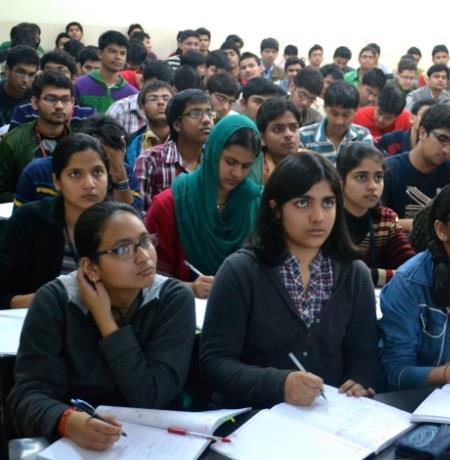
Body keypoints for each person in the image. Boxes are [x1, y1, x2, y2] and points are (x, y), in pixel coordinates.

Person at [8, 200, 195, 449]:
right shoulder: (55, 300)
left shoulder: (171, 298)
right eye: (122, 250)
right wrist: (67, 421)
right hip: (75, 444)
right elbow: (27, 395)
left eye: (144, 241)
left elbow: (150, 396)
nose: (144, 257)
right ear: (90, 267)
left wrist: (105, 320)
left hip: (156, 442)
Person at [200, 152, 378, 409]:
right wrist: (279, 384)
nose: (318, 216)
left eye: (328, 203)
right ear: (275, 209)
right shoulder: (240, 271)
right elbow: (214, 363)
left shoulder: (354, 273)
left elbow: (364, 353)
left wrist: (361, 379)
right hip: (252, 418)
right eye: (303, 203)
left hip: (328, 419)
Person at [145, 114, 262, 298]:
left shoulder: (255, 202)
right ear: (213, 153)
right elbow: (147, 277)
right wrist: (188, 288)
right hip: (180, 311)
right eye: (230, 162)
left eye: (246, 166)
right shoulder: (170, 204)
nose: (237, 173)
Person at [0, 133, 108, 308]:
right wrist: (52, 299)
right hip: (34, 324)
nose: (89, 184)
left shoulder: (121, 224)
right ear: (57, 181)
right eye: (75, 174)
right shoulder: (30, 220)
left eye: (97, 172)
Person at [379, 185, 450, 390]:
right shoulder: (409, 283)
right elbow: (395, 371)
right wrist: (445, 374)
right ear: (442, 230)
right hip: (423, 403)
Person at [337, 142, 415, 287]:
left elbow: (410, 272)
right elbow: (334, 275)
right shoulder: (328, 220)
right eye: (361, 177)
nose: (373, 186)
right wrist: (382, 275)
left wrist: (367, 275)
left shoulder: (386, 219)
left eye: (378, 177)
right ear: (340, 181)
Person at [0, 70, 74, 203]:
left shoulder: (80, 143)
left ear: (72, 103)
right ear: (35, 102)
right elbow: (1, 192)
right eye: (51, 99)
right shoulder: (12, 142)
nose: (59, 106)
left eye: (65, 99)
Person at [135, 89, 213, 213]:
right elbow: (141, 214)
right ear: (177, 125)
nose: (206, 120)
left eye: (209, 113)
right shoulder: (150, 160)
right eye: (195, 114)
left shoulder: (214, 160)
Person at [382, 104, 450, 233]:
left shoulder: (448, 170)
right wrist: (420, 224)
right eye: (442, 139)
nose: (447, 150)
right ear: (423, 133)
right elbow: (375, 222)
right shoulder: (389, 170)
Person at [300, 81, 372, 164]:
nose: (339, 121)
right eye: (334, 114)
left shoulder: (362, 136)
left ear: (356, 111)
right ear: (325, 108)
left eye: (346, 115)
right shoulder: (303, 136)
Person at [74, 30, 137, 113]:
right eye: (113, 51)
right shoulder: (80, 85)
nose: (118, 57)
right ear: (100, 54)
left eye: (122, 53)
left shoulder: (131, 94)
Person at [256, 97, 301, 183]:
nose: (288, 134)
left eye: (293, 127)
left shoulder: (312, 162)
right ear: (262, 138)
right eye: (277, 129)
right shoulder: (255, 171)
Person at [0, 45, 40, 127]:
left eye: (31, 75)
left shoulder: (38, 99)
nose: (25, 80)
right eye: (20, 72)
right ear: (7, 70)